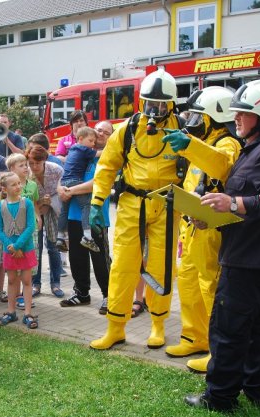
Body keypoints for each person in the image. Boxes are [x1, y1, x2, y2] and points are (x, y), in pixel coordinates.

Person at [184, 80, 260, 412]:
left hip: (252, 259)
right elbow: (256, 203)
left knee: (228, 328)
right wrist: (212, 215)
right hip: (250, 252)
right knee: (251, 327)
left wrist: (233, 203)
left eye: (242, 112)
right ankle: (257, 391)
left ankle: (219, 397)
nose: (235, 117)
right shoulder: (257, 147)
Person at [89, 69, 184, 350]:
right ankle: (115, 327)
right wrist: (97, 202)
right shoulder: (127, 130)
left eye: (160, 105)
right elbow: (106, 167)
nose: (154, 111)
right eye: (149, 104)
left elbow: (195, 167)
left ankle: (158, 325)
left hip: (167, 206)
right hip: (132, 204)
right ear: (141, 102)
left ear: (171, 105)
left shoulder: (182, 130)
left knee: (162, 268)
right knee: (123, 266)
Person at [160, 86, 242, 374]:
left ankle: (217, 350)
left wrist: (191, 146)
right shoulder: (202, 142)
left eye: (198, 115)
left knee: (210, 287)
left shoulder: (227, 143)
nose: (192, 120)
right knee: (189, 283)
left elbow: (222, 167)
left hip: (212, 228)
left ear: (214, 116)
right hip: (193, 226)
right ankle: (195, 337)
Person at [58, 120, 113, 314]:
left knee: (100, 258)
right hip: (74, 215)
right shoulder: (79, 151)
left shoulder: (108, 157)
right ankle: (81, 293)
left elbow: (97, 183)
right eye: (98, 130)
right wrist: (60, 189)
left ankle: (109, 296)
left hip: (96, 215)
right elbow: (63, 176)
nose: (100, 134)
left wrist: (69, 190)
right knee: (77, 257)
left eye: (106, 132)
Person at [0, 172, 38, 329]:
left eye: (19, 183)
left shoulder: (27, 204)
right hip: (9, 250)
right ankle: (11, 311)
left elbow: (31, 226)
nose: (18, 186)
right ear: (4, 189)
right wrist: (10, 246)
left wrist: (18, 245)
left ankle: (27, 313)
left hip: (25, 248)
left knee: (27, 281)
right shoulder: (0, 206)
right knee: (12, 280)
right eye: (13, 184)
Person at [26, 139, 64, 298]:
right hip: (35, 211)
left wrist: (51, 202)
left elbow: (63, 190)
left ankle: (55, 283)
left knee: (53, 246)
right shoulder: (26, 174)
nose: (34, 167)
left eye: (38, 163)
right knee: (36, 248)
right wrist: (41, 203)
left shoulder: (56, 170)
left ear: (44, 160)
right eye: (31, 163)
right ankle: (36, 284)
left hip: (54, 209)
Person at [56, 126, 101, 252]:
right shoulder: (83, 148)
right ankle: (87, 236)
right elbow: (99, 154)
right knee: (86, 206)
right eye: (91, 141)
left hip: (65, 181)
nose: (93, 144)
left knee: (64, 211)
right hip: (75, 181)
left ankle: (59, 237)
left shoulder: (72, 149)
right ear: (80, 139)